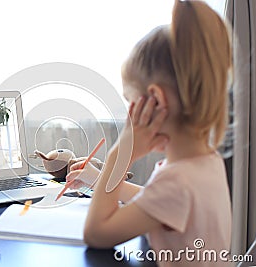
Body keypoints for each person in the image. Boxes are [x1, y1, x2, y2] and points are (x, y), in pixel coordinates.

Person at [66, 1, 232, 266]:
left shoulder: (177, 182)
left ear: (154, 100)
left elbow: (96, 233)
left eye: (130, 100)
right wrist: (97, 179)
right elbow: (153, 203)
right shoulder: (204, 164)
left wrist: (119, 154)